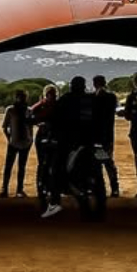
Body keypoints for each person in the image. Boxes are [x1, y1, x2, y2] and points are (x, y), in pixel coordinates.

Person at [43, 76, 95, 218]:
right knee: (97, 169)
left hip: (68, 142)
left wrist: (52, 135)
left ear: (72, 86)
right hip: (89, 142)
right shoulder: (91, 99)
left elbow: (54, 119)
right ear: (84, 86)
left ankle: (55, 202)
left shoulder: (65, 99)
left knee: (56, 170)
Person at [91, 75, 120, 198]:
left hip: (98, 136)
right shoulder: (111, 97)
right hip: (106, 136)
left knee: (98, 163)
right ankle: (114, 188)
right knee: (107, 162)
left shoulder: (94, 97)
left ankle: (101, 188)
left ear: (94, 84)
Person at [0, 89, 33, 198]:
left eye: (23, 97)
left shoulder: (28, 110)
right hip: (15, 142)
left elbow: (30, 127)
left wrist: (30, 139)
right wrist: (9, 138)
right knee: (10, 166)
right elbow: (5, 127)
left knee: (20, 167)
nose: (22, 99)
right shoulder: (11, 110)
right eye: (20, 97)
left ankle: (18, 189)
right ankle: (5, 189)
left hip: (22, 142)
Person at [30, 84, 59, 207]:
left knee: (53, 164)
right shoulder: (40, 105)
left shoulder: (58, 105)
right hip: (43, 136)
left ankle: (50, 187)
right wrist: (39, 123)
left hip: (55, 137)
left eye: (53, 94)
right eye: (49, 94)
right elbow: (30, 116)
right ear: (46, 94)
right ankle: (41, 187)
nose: (51, 96)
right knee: (43, 163)